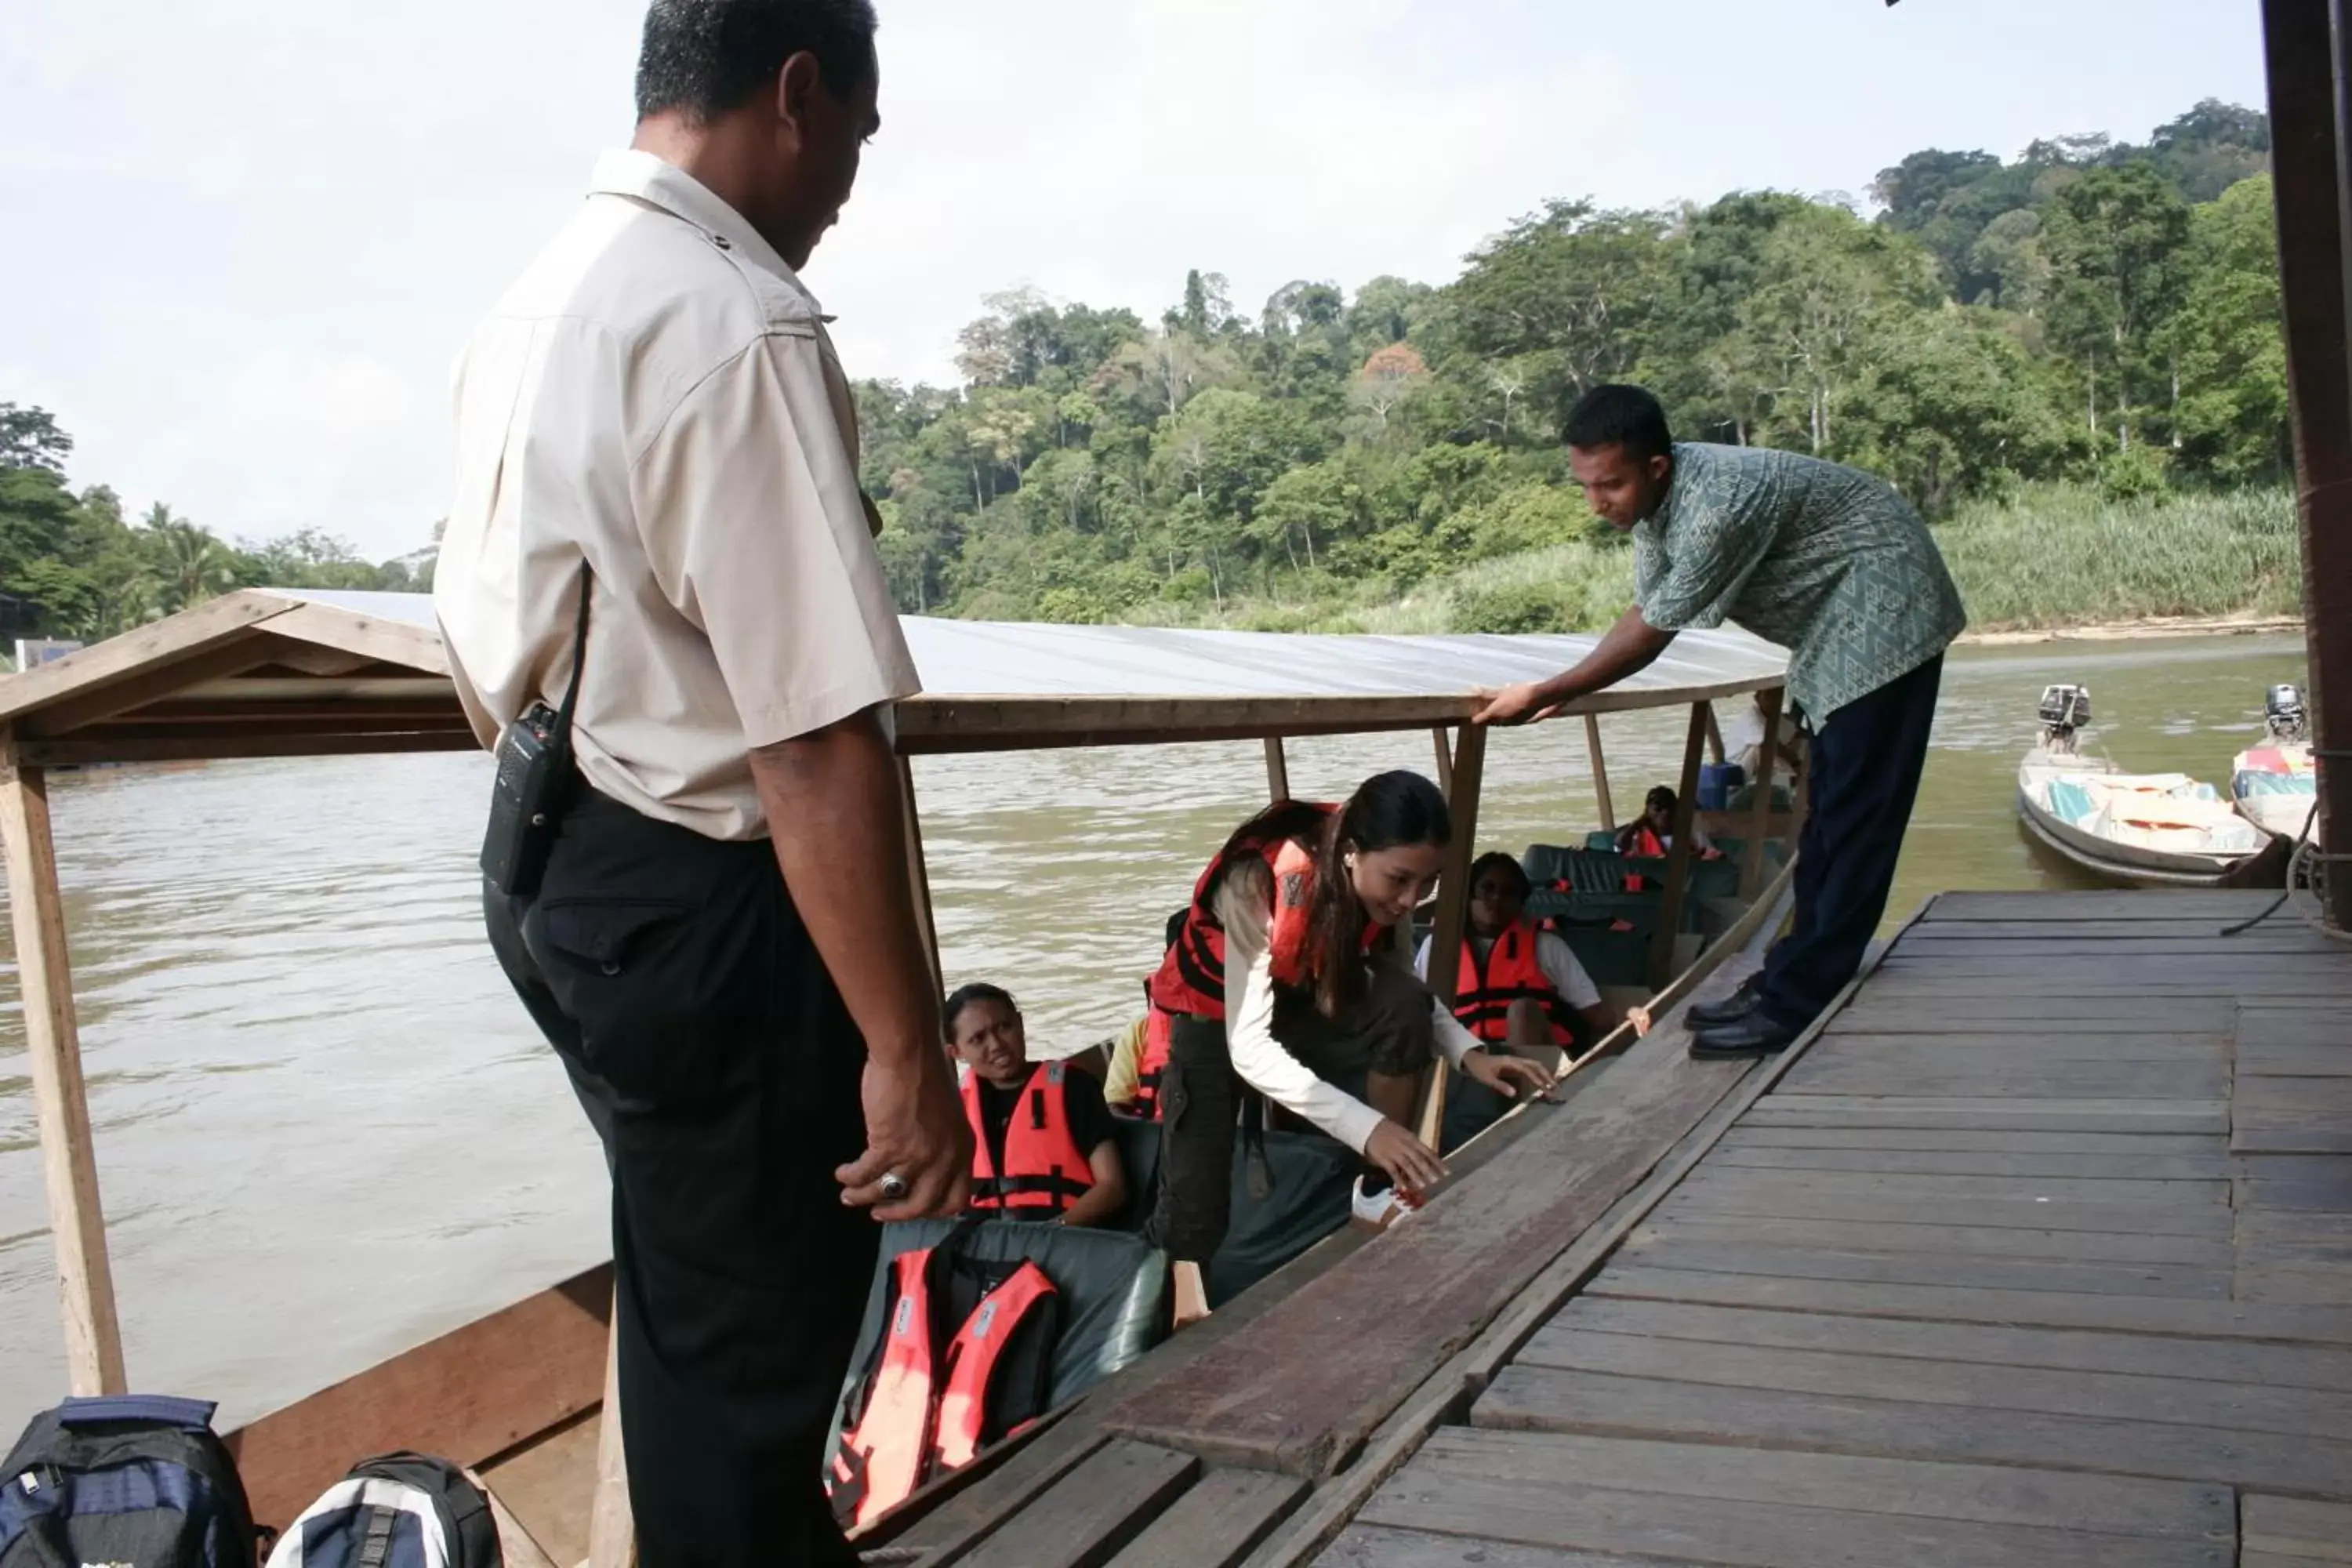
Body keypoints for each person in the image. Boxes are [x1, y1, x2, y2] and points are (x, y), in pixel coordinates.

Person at [435, 5, 969, 1563]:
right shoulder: (732, 316)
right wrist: (904, 1046)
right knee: (763, 1370)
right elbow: (809, 736)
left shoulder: (535, 305)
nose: (849, 187)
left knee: (688, 1311)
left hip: (551, 870)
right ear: (798, 93)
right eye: (859, 142)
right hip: (700, 898)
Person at [1475, 383, 1965, 1059]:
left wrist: (1547, 692)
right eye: (1585, 486)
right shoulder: (1656, 510)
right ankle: (1786, 977)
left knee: (1857, 817)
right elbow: (1644, 609)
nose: (1597, 504)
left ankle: (1797, 1002)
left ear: (1656, 468)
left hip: (1887, 608)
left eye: (1609, 485)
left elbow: (1653, 634)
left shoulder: (1715, 506)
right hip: (1835, 626)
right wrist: (1562, 688)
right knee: (1825, 817)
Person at [1147, 771, 1554, 1267]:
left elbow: (1409, 992)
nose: (1410, 900)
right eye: (1400, 880)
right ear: (1351, 853)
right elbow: (1249, 1049)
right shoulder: (1258, 881)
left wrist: (1473, 1054)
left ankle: (1376, 1187)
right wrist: (1371, 1128)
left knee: (1402, 1005)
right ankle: (1167, 1313)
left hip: (1301, 1001)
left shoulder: (1385, 887)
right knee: (1195, 1214)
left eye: (1429, 883)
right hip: (1217, 1025)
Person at [947, 983, 1129, 1228]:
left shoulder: (1073, 1087)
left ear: (1020, 1023)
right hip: (983, 1246)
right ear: (956, 1052)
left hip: (1062, 1242)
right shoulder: (954, 1107)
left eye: (1004, 1027)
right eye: (978, 1039)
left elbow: (1112, 1186)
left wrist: (1050, 1232)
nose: (996, 1044)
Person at [1412, 851, 1616, 1051]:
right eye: (1487, 889)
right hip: (1464, 1061)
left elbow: (1598, 1017)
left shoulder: (1547, 947)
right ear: (1470, 894)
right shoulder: (1439, 947)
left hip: (1536, 1064)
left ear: (1520, 903)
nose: (1497, 898)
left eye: (1509, 892)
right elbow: (1416, 1010)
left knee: (1523, 1010)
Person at [1616, 786, 1717, 862]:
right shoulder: (1637, 837)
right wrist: (1637, 823)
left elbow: (1713, 858)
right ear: (1647, 811)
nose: (1665, 812)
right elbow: (1620, 846)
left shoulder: (1693, 835)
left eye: (1670, 807)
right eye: (1658, 808)